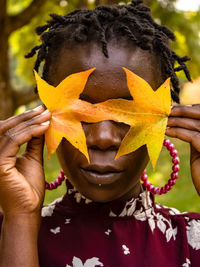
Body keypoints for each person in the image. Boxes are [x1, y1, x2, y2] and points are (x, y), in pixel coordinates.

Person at [0, 0, 200, 266]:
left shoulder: (189, 242)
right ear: (44, 118)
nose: (103, 138)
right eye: (79, 114)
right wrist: (21, 219)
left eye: (128, 114)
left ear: (164, 118)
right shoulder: (10, 236)